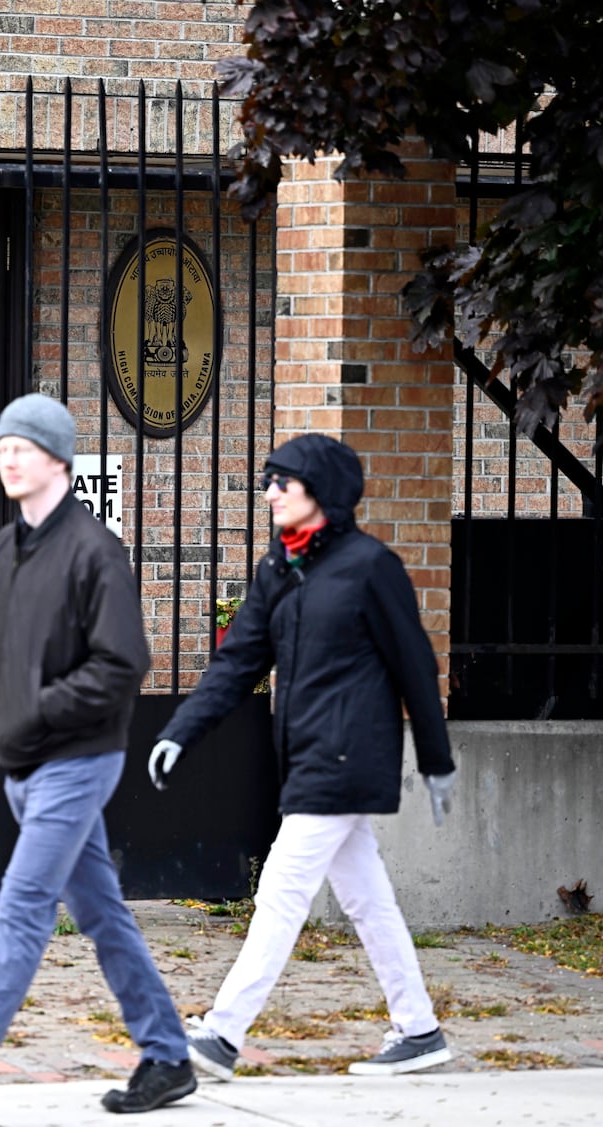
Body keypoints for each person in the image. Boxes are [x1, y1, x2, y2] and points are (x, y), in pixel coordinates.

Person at [0, 393, 196, 1118]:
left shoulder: (93, 551)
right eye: (1, 448)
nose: (6, 457)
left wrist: (40, 705)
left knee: (23, 905)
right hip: (27, 764)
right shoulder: (7, 547)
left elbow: (123, 663)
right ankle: (170, 1056)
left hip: (78, 760)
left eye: (20, 445)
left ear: (57, 457)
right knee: (103, 913)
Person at [148, 433, 458, 1079]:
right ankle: (420, 1029)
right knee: (368, 900)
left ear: (318, 491)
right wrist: (181, 730)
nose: (268, 494)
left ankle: (223, 1033)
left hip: (348, 757)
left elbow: (415, 664)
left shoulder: (370, 566)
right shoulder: (279, 569)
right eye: (267, 482)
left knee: (282, 888)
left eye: (280, 483)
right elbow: (237, 663)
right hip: (310, 755)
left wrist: (436, 759)